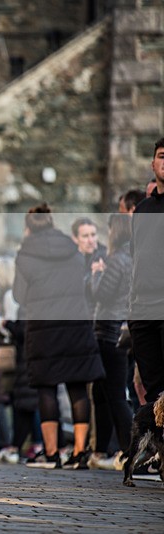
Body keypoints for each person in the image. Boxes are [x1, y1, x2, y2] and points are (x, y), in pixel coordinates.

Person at [14, 204, 104, 470]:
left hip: (43, 329)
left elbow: (19, 294)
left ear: (29, 226)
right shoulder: (71, 249)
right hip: (76, 325)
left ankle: (52, 454)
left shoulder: (25, 254)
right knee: (78, 388)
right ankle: (79, 452)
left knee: (47, 388)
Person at [87, 213, 134, 470]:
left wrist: (96, 274)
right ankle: (101, 449)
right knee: (103, 393)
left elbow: (101, 295)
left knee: (114, 394)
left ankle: (129, 450)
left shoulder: (116, 260)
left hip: (109, 333)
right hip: (122, 331)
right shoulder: (132, 259)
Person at [130, 138, 164, 405]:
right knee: (152, 390)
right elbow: (136, 258)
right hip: (144, 311)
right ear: (153, 164)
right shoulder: (142, 210)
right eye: (162, 156)